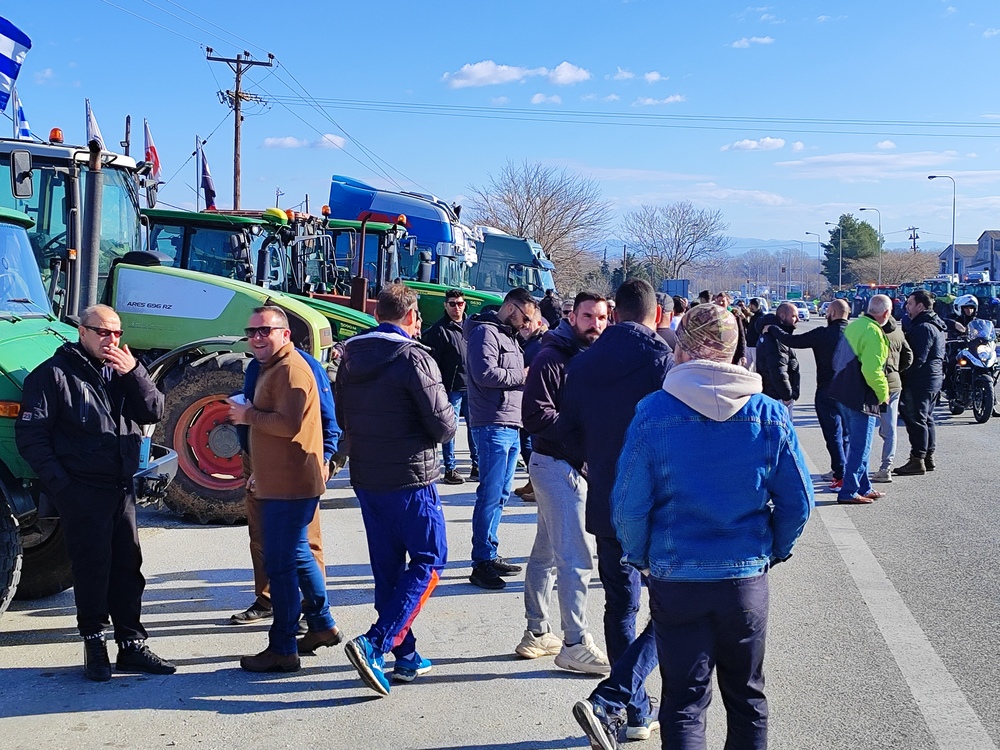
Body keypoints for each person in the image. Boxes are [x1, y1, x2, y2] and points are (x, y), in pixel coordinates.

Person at [603, 302, 812, 750]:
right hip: (744, 576)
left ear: (681, 350)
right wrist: (773, 549)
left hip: (677, 576)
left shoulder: (653, 412)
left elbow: (628, 506)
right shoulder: (769, 414)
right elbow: (798, 502)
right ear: (736, 351)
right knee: (747, 696)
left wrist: (641, 557)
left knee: (683, 702)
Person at [17, 304, 176, 681]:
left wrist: (134, 373)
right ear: (82, 332)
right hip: (81, 489)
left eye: (117, 333)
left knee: (128, 567)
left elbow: (153, 411)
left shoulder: (124, 369)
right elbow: (31, 436)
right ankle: (94, 644)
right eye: (103, 332)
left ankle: (132, 645)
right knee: (92, 569)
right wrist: (62, 485)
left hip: (120, 486)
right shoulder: (52, 375)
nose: (112, 340)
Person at [564, 279, 673, 746]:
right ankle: (622, 700)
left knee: (620, 605)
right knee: (674, 608)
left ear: (615, 312)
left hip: (607, 497)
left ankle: (634, 709)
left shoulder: (584, 362)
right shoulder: (661, 360)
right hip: (657, 503)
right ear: (658, 315)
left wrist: (590, 461)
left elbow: (567, 431)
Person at [335, 283, 456, 696]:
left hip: (368, 476)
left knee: (388, 569)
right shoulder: (413, 357)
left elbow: (342, 416)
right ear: (411, 316)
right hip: (411, 477)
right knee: (430, 560)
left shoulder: (350, 357)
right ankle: (376, 642)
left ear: (377, 313)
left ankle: (405, 655)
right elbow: (444, 426)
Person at [229, 306, 335, 672]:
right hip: (281, 481)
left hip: (290, 487)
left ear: (285, 334)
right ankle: (321, 624)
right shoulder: (271, 367)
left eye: (265, 331)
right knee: (298, 555)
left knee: (280, 565)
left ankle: (283, 648)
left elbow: (289, 424)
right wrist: (260, 470)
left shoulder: (290, 369)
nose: (257, 337)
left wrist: (247, 416)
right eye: (252, 332)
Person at [519, 292, 611, 675]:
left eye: (601, 317)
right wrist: (581, 437)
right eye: (588, 316)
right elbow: (534, 415)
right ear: (572, 316)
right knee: (576, 558)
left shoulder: (589, 355)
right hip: (558, 465)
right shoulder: (552, 357)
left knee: (546, 554)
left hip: (563, 464)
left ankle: (537, 632)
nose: (595, 324)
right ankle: (575, 642)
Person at [465, 288, 538, 590]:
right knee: (490, 493)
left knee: (502, 494)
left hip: (509, 422)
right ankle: (481, 562)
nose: (526, 324)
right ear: (510, 308)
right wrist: (523, 375)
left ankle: (489, 552)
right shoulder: (485, 332)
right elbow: (484, 373)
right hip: (491, 423)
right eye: (525, 317)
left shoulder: (508, 335)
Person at [765, 299, 850, 489]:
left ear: (832, 313)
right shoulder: (856, 334)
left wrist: (772, 328)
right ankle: (846, 471)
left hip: (827, 389)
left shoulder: (823, 334)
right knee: (847, 434)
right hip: (850, 390)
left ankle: (840, 474)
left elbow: (792, 341)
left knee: (833, 434)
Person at [827, 295, 892, 504]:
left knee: (857, 444)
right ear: (886, 313)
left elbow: (837, 359)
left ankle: (864, 487)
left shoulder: (855, 325)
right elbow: (872, 370)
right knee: (861, 447)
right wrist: (883, 394)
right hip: (860, 396)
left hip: (842, 391)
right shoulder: (874, 331)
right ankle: (849, 491)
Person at [422, 288, 478, 484]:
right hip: (451, 388)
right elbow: (433, 363)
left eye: (460, 303)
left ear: (465, 305)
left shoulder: (472, 326)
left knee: (475, 428)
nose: (457, 308)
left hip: (472, 386)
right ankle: (450, 469)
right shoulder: (439, 330)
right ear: (445, 306)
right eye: (452, 304)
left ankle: (477, 465)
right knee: (450, 429)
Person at [895, 290, 947, 476]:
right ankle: (927, 458)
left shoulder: (924, 327)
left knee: (916, 420)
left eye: (910, 303)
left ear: (920, 306)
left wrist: (900, 373)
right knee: (926, 418)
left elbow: (916, 359)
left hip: (921, 380)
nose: (907, 307)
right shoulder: (933, 324)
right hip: (931, 379)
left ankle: (917, 459)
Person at [872, 312, 912, 483]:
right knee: (890, 427)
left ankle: (856, 467)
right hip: (894, 383)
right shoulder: (898, 332)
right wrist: (895, 371)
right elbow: (908, 357)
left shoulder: (872, 332)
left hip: (874, 384)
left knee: (863, 426)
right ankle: (886, 467)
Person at [755, 301, 800, 420]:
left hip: (773, 394)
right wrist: (787, 396)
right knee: (783, 429)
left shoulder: (774, 334)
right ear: (783, 316)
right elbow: (778, 370)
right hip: (778, 397)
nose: (797, 320)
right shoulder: (775, 339)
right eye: (794, 316)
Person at [714, 292, 747, 366]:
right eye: (719, 301)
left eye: (723, 301)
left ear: (728, 302)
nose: (721, 303)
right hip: (717, 352)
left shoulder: (734, 317)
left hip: (732, 353)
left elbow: (741, 336)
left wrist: (742, 355)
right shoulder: (712, 317)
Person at [745, 298, 764, 371]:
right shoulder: (754, 316)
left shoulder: (761, 317)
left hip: (756, 346)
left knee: (757, 367)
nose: (750, 307)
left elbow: (756, 329)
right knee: (746, 367)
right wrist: (744, 319)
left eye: (751, 305)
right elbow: (749, 327)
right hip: (749, 345)